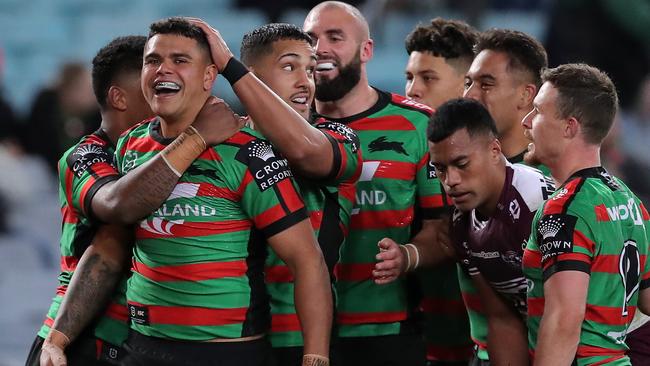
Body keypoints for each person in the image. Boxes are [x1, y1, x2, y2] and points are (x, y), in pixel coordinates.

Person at [115, 18, 331, 366]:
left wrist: (316, 358)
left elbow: (307, 260)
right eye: (152, 60)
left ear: (208, 77)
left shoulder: (246, 151)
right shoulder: (130, 144)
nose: (162, 70)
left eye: (179, 60)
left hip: (227, 351)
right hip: (143, 346)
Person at [31, 36, 245, 366]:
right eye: (152, 88)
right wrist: (196, 137)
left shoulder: (168, 157)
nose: (163, 94)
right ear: (119, 98)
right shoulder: (86, 155)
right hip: (77, 339)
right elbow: (120, 206)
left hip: (135, 340)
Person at [190, 19, 362, 365]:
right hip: (236, 341)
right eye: (289, 67)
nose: (305, 83)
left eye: (310, 70)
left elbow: (302, 151)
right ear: (254, 75)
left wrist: (230, 70)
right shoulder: (222, 142)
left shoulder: (340, 138)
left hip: (308, 341)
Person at [303, 2, 449, 365]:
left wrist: (408, 256)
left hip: (386, 332)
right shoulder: (279, 127)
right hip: (292, 330)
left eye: (334, 37)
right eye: (311, 39)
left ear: (366, 50)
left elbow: (443, 230)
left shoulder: (417, 125)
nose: (319, 48)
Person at [374, 98, 555, 366]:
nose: (451, 181)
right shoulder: (460, 225)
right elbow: (501, 318)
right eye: (441, 169)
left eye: (461, 164)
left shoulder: (537, 204)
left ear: (495, 150)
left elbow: (570, 312)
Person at [521, 63, 650, 365]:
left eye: (538, 111)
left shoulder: (564, 210)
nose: (526, 121)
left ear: (569, 127)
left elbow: (565, 321)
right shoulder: (629, 201)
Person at [460, 28, 548, 365]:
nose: (469, 95)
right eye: (468, 82)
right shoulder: (457, 175)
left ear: (526, 95)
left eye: (485, 84)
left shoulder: (557, 182)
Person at [403, 18, 478, 366]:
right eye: (409, 77)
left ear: (467, 85)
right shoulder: (405, 167)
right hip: (420, 348)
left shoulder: (514, 175)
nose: (412, 90)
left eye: (428, 78)